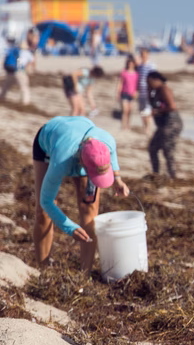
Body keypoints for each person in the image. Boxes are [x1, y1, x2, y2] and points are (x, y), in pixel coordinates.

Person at [32, 116, 130, 271]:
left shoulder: (106, 140)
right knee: (42, 212)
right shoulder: (61, 161)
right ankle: (42, 271)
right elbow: (46, 201)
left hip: (84, 142)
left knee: (89, 211)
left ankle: (85, 274)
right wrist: (70, 228)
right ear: (82, 163)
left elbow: (112, 153)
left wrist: (117, 179)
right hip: (48, 143)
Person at [147, 71, 183, 178]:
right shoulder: (156, 91)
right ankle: (156, 174)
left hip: (171, 123)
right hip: (163, 125)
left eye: (149, 82)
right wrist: (149, 90)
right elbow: (152, 104)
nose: (149, 84)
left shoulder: (164, 89)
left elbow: (172, 106)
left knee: (168, 150)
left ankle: (172, 176)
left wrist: (158, 111)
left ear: (156, 80)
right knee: (153, 148)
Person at [0, 41, 34, 105]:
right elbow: (28, 62)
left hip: (11, 71)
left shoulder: (14, 51)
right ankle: (25, 102)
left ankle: (1, 97)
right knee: (24, 87)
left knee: (6, 85)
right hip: (19, 71)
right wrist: (26, 70)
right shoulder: (27, 53)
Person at [135, 48, 157, 133]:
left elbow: (154, 79)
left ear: (148, 55)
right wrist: (136, 90)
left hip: (149, 92)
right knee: (142, 111)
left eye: (144, 54)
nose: (143, 56)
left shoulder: (151, 66)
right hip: (141, 92)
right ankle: (145, 127)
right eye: (142, 54)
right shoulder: (139, 67)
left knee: (147, 111)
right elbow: (137, 79)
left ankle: (148, 128)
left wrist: (152, 91)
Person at [116, 57, 138, 130]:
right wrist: (118, 93)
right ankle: (123, 125)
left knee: (130, 111)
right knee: (125, 110)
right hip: (124, 93)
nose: (130, 65)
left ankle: (128, 124)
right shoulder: (123, 72)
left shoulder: (136, 73)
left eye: (131, 64)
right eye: (129, 64)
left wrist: (136, 92)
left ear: (134, 64)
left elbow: (137, 85)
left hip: (132, 94)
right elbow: (120, 83)